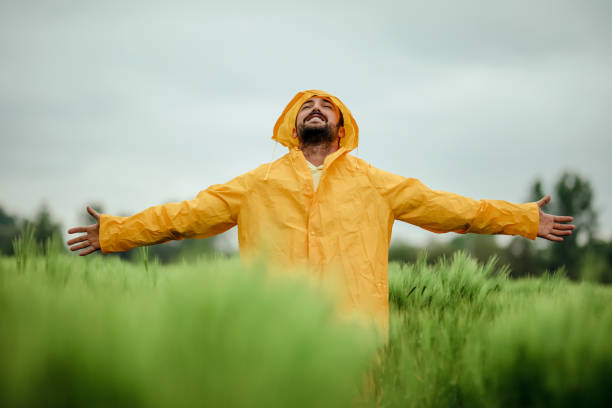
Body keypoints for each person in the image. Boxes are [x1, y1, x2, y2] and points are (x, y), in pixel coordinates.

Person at [67, 89, 574, 334]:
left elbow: (452, 209)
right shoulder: (256, 185)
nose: (315, 107)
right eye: (305, 104)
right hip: (276, 338)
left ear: (340, 126)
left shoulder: (376, 183)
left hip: (357, 341)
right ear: (292, 126)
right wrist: (114, 232)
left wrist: (524, 219)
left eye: (325, 104)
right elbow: (181, 217)